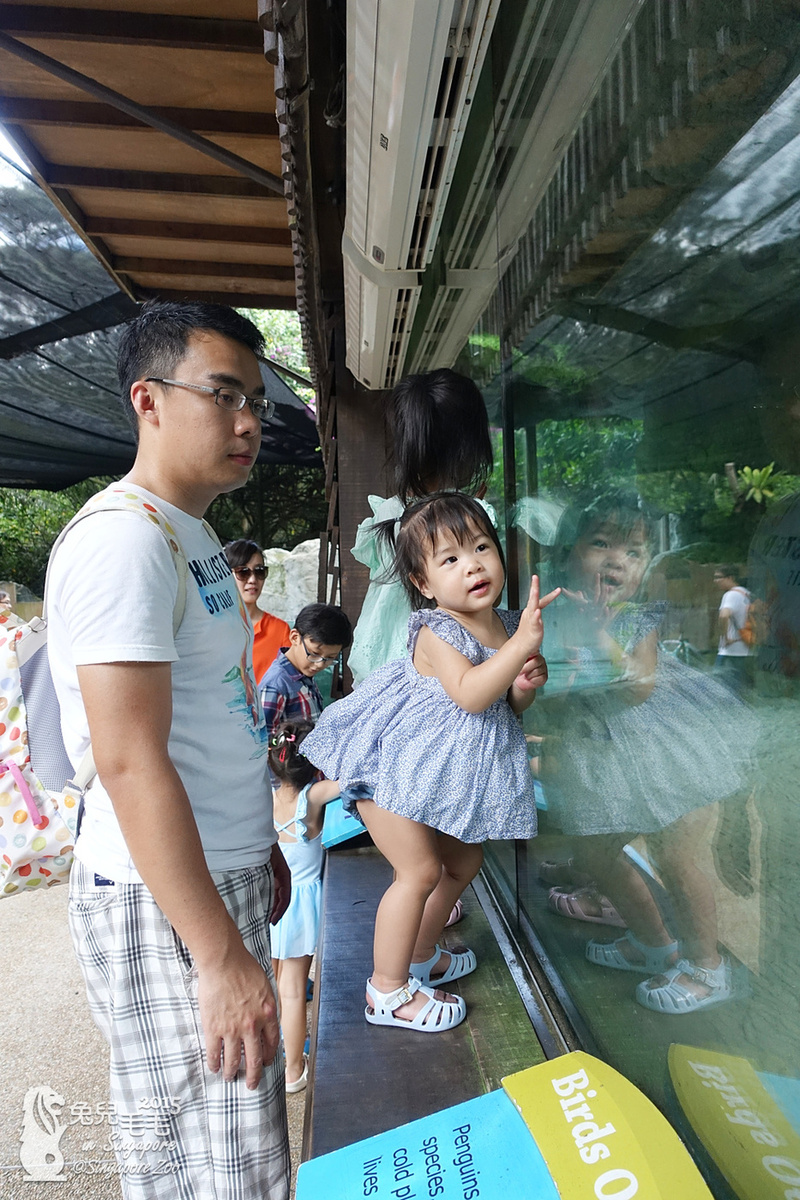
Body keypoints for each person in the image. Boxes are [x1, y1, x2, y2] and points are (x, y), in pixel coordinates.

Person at [47, 300, 292, 1198]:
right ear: (148, 400)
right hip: (166, 906)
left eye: (257, 402)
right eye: (224, 394)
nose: (248, 422)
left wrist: (258, 848)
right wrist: (220, 954)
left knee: (245, 1155)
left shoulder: (188, 534)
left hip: (212, 877)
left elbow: (212, 713)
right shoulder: (123, 541)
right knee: (209, 1171)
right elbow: (128, 759)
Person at [302, 493, 559, 1032]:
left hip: (442, 780)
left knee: (463, 865)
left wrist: (524, 685)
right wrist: (521, 648)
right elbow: (469, 693)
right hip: (391, 768)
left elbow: (504, 700)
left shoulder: (506, 624)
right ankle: (387, 992)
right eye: (450, 559)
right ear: (424, 584)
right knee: (417, 871)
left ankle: (417, 958)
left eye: (482, 547)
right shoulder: (435, 629)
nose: (472, 564)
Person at [536, 492, 756, 1014]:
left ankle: (709, 967)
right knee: (594, 852)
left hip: (661, 758)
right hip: (602, 763)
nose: (617, 560)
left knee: (676, 856)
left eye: (634, 552)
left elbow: (637, 686)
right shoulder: (553, 612)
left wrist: (599, 631)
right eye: (601, 544)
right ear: (569, 552)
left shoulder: (636, 618)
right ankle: (653, 943)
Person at [347, 368, 494, 686]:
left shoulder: (389, 514)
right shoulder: (476, 518)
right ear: (473, 445)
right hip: (442, 686)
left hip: (380, 678)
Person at [268, 719, 340, 1092]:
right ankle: (293, 1070)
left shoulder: (265, 797)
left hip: (272, 899)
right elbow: (352, 780)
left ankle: (279, 1051)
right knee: (294, 990)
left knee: (278, 982)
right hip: (302, 906)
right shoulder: (313, 796)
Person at [260, 602, 352, 733]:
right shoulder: (275, 685)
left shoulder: (304, 676)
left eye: (330, 658)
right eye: (314, 654)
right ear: (295, 637)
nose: (320, 664)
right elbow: (261, 743)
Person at [225, 537, 290, 683]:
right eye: (243, 572)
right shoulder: (212, 628)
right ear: (225, 575)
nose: (253, 579)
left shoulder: (280, 630)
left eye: (259, 571)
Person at [713, 563, 752, 695]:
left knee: (719, 691)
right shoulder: (747, 593)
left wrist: (725, 637)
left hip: (730, 651)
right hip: (747, 648)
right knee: (743, 691)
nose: (715, 581)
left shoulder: (730, 595)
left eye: (719, 577)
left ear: (730, 577)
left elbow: (724, 616)